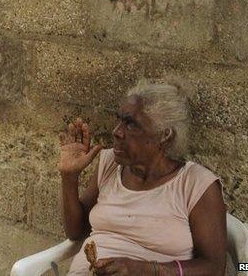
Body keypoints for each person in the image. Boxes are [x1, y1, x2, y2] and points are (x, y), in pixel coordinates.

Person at [59, 80, 226, 276]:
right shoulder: (109, 163)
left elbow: (214, 268)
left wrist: (145, 269)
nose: (117, 131)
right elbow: (75, 232)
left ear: (165, 136)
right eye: (119, 120)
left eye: (130, 124)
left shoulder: (196, 184)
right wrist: (69, 177)